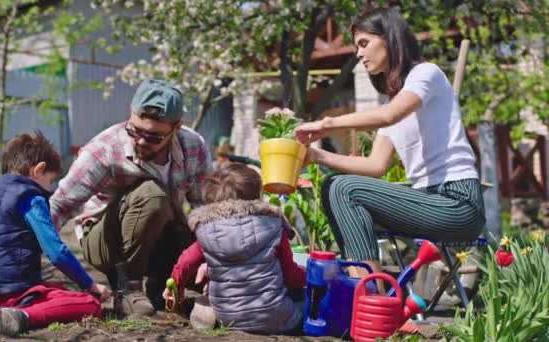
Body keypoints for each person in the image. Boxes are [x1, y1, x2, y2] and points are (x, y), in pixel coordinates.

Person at [293, 8, 486, 277]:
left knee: (343, 187)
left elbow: (388, 116)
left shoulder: (426, 74)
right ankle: (367, 297)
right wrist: (317, 157)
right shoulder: (394, 100)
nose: (358, 53)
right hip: (426, 199)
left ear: (389, 38)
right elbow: (376, 165)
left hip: (458, 203)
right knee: (333, 185)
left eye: (364, 43)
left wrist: (325, 125)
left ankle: (372, 298)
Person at [50, 79, 213, 317]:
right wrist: (23, 252)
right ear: (130, 114)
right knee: (151, 194)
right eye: (135, 131)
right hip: (104, 241)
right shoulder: (104, 148)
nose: (141, 141)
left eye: (154, 137)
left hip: (158, 238)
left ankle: (162, 287)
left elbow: (206, 208)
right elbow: (59, 205)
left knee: (202, 263)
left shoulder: (193, 146)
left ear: (176, 128)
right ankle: (128, 289)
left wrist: (215, 259)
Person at [0, 132, 110, 337]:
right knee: (89, 304)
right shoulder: (30, 197)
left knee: (53, 287)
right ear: (38, 170)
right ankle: (22, 316)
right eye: (50, 181)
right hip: (14, 297)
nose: (49, 188)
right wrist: (91, 285)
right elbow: (56, 252)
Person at [163, 162, 306, 334]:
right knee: (309, 302)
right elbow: (291, 277)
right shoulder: (273, 226)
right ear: (256, 197)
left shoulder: (206, 232)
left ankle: (205, 310)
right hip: (277, 315)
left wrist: (175, 285)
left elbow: (186, 262)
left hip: (227, 317)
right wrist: (308, 275)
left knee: (211, 294)